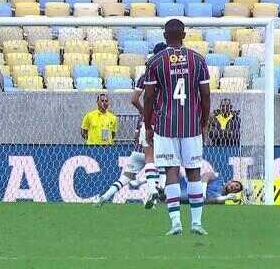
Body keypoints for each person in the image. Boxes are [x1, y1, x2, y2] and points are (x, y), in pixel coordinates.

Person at [144, 19, 211, 236]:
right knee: (193, 172)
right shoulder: (198, 60)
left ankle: (175, 224)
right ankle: (197, 223)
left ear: (165, 36)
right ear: (184, 35)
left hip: (165, 125)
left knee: (171, 171)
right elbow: (206, 95)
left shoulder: (155, 62)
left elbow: (149, 97)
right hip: (191, 124)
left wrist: (147, 125)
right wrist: (204, 121)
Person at [96, 43, 167, 207]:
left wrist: (144, 113)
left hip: (147, 128)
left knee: (132, 170)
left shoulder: (146, 76)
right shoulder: (171, 77)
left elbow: (134, 99)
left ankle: (106, 197)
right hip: (166, 123)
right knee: (165, 160)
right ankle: (156, 188)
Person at [180, 171, 244, 205]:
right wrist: (203, 194)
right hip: (188, 183)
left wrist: (226, 198)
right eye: (236, 185)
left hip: (190, 195)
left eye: (236, 189)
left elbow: (207, 202)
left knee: (174, 197)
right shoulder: (219, 179)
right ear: (231, 181)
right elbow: (206, 175)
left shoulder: (221, 200)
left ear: (233, 193)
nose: (235, 187)